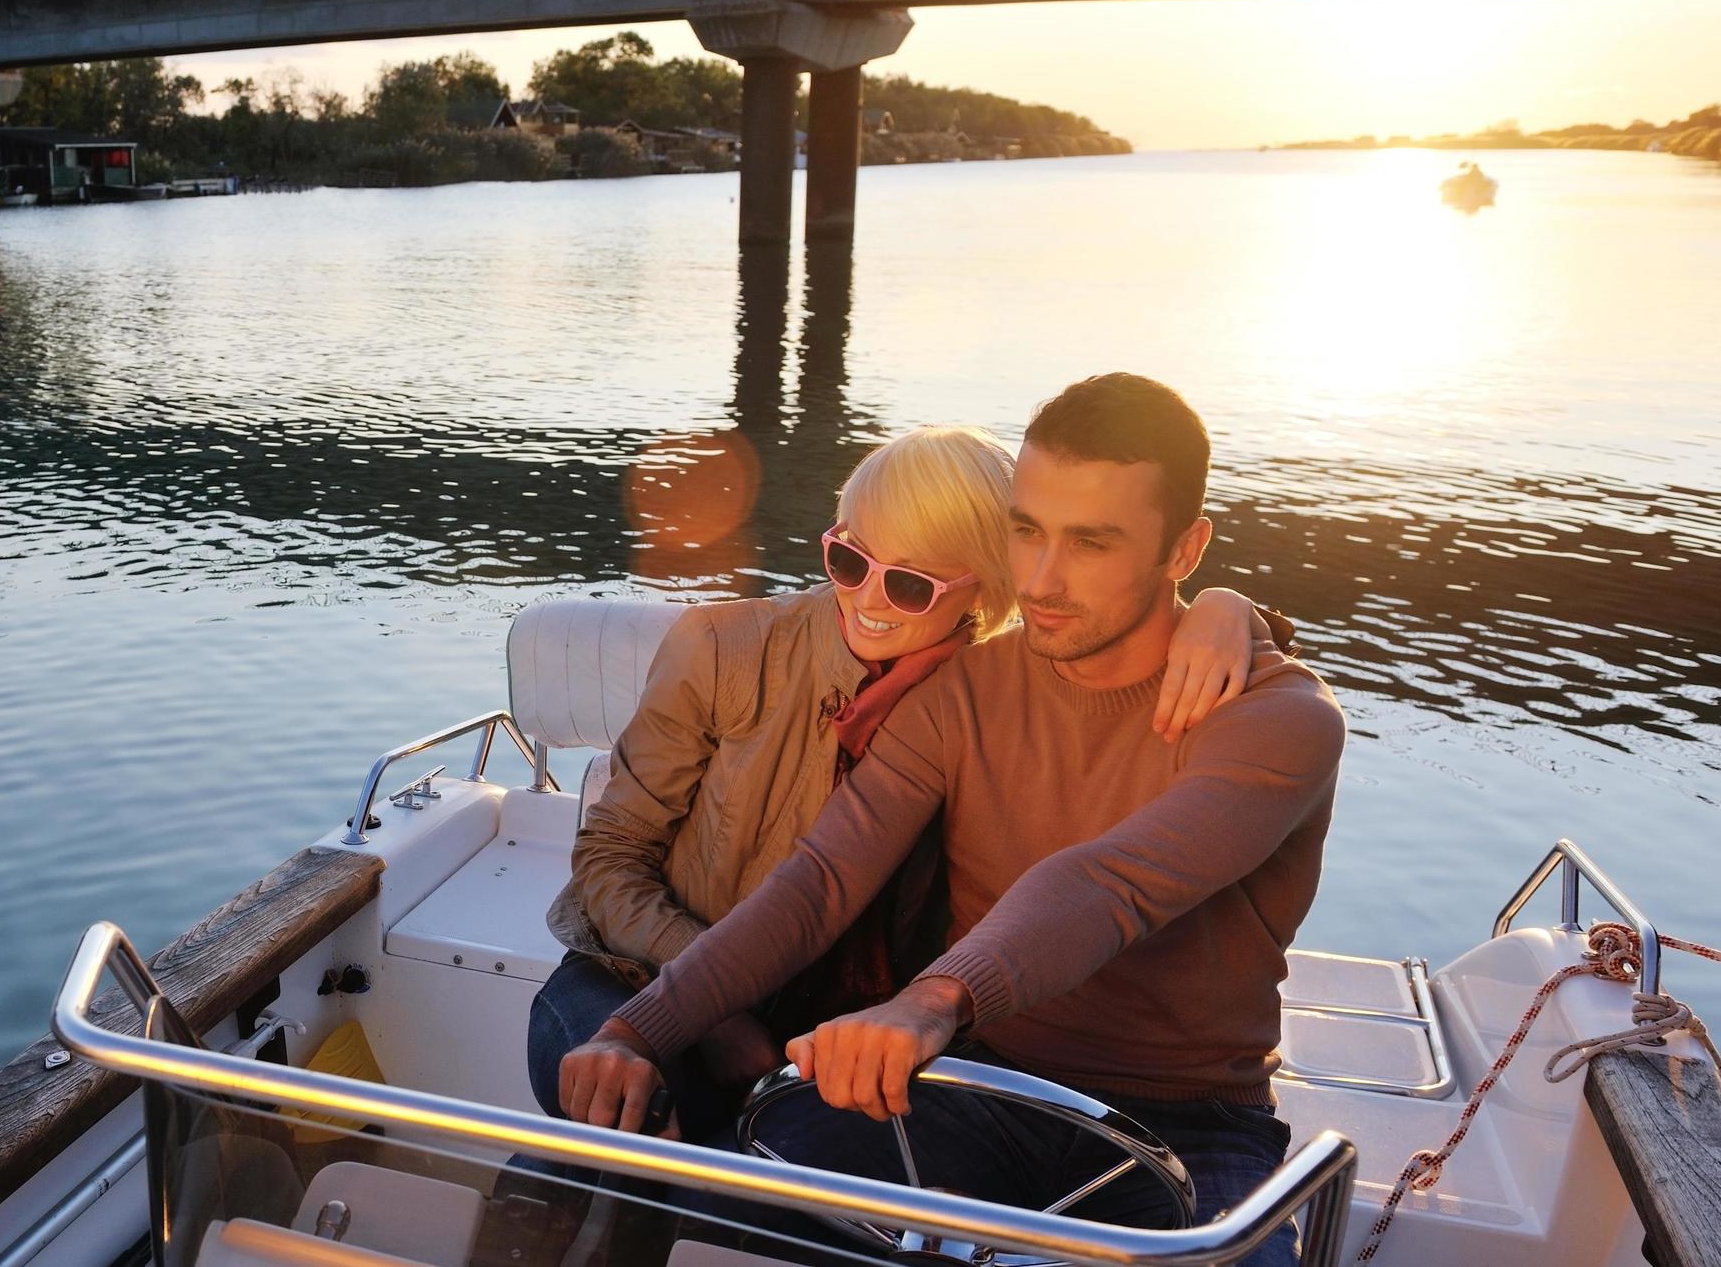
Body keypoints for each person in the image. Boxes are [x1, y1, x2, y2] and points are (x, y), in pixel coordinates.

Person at [557, 373, 1387, 1267]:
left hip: (1189, 1129)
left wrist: (929, 1004)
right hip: (976, 1098)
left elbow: (1104, 884)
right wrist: (642, 1025)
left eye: (1094, 541)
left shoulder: (1279, 718)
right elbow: (816, 887)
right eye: (1027, 531)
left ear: (1187, 552)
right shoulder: (962, 694)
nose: (1044, 578)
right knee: (743, 1251)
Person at [530, 423, 1272, 1146]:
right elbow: (612, 855)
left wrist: (1230, 610)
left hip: (842, 1021)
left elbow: (1118, 631)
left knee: (778, 1155)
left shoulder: (985, 693)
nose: (870, 599)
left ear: (987, 583)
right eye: (849, 560)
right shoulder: (723, 648)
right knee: (631, 1104)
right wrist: (717, 1015)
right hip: (639, 975)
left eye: (911, 583)